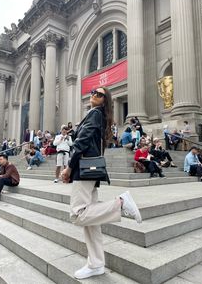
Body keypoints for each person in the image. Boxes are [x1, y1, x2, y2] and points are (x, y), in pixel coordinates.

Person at [62, 87, 142, 280]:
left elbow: (81, 142)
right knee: (92, 224)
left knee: (77, 214)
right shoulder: (96, 115)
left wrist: (69, 167)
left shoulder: (95, 114)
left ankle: (120, 203)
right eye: (92, 92)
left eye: (99, 94)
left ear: (105, 100)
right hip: (90, 169)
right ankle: (96, 264)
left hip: (84, 169)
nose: (93, 95)